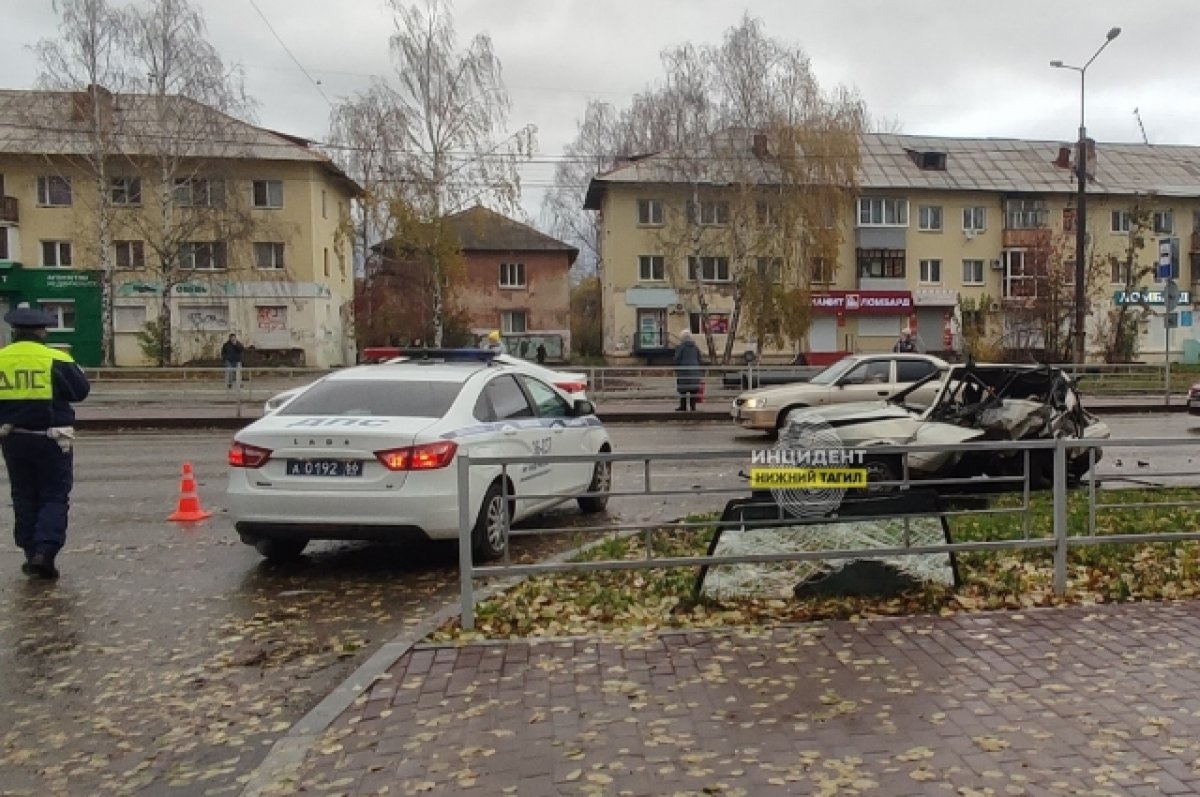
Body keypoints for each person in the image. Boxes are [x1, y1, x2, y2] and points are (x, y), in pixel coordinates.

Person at [0, 305, 90, 579]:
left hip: (12, 438)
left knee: (24, 495)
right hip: (51, 438)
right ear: (42, 331)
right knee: (53, 495)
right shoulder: (56, 358)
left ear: (15, 332)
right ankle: (45, 552)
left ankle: (30, 552)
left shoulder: (1, 358)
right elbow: (80, 391)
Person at [673, 330, 703, 411]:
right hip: (694, 371)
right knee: (693, 390)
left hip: (683, 371)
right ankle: (693, 407)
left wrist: (675, 368)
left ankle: (683, 407)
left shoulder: (681, 347)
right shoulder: (696, 347)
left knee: (683, 390)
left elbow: (677, 359)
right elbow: (699, 359)